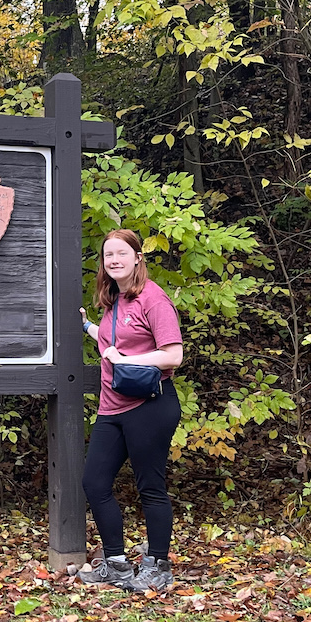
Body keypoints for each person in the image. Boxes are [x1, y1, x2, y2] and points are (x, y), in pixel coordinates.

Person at [77, 228, 183, 592]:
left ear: (138, 257)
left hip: (150, 405)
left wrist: (127, 358)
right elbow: (112, 342)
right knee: (94, 482)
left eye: (122, 253)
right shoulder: (114, 299)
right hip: (112, 408)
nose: (115, 260)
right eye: (109, 255)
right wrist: (88, 327)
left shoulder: (153, 299)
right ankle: (116, 564)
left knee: (149, 487)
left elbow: (173, 355)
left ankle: (158, 567)